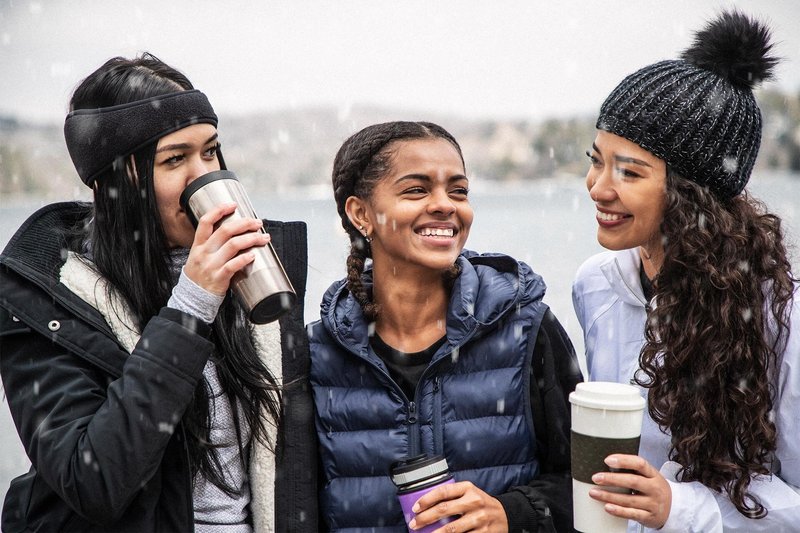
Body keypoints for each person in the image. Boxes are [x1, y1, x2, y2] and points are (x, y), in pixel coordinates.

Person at [0, 53, 317, 531]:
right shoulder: (47, 298)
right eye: (174, 159)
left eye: (209, 152)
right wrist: (191, 304)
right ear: (118, 181)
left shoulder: (251, 277)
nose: (202, 175)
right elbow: (95, 481)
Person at [572, 10, 800, 532]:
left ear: (689, 193)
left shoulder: (781, 314)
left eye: (629, 171)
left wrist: (679, 509)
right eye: (597, 159)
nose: (598, 187)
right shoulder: (595, 284)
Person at [307, 120, 583, 532]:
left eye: (458, 190)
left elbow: (591, 484)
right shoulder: (316, 353)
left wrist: (513, 514)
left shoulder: (527, 330)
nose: (445, 204)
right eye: (417, 189)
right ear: (361, 214)